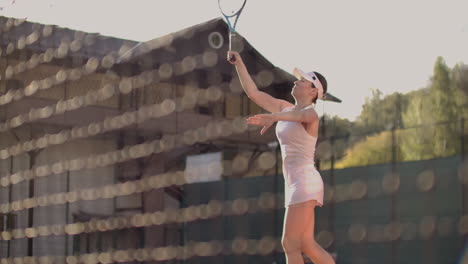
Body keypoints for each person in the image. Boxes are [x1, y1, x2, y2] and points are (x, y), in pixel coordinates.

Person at [227, 51, 336, 264]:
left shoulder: (312, 114)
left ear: (313, 91)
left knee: (289, 243)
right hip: (295, 183)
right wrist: (239, 63)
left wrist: (273, 117)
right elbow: (254, 93)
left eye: (302, 81)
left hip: (305, 182)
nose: (296, 81)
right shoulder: (284, 107)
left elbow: (298, 116)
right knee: (305, 244)